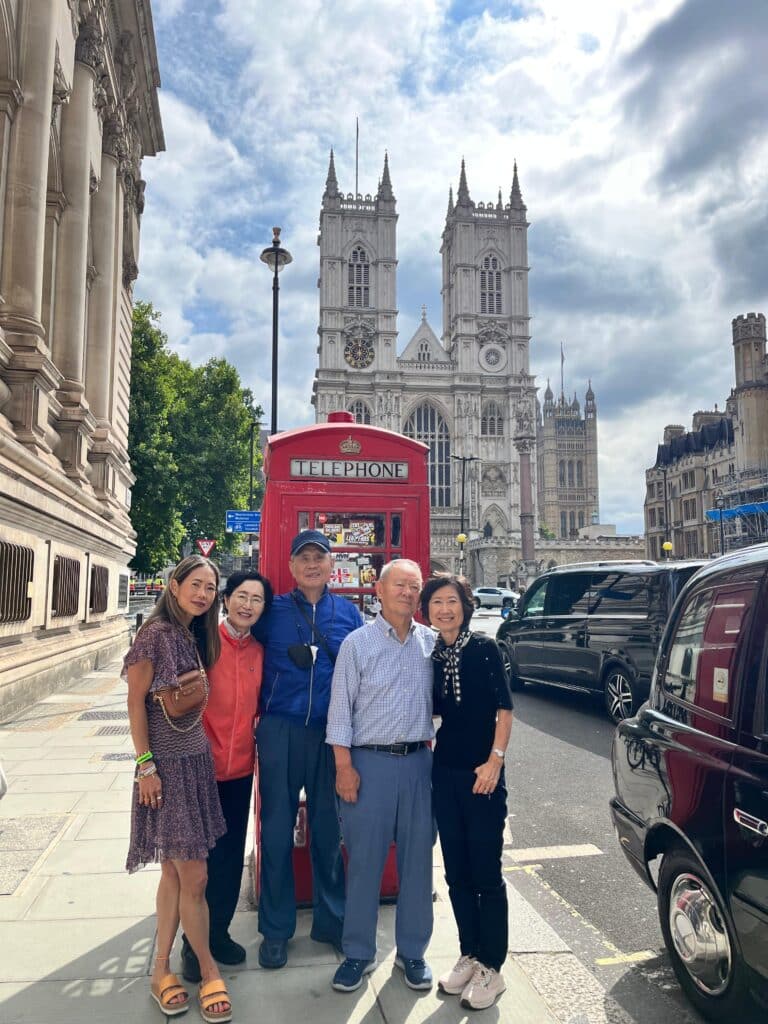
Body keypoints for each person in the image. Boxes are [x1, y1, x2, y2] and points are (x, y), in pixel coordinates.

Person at [125, 556, 232, 1023]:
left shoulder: (190, 634)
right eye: (196, 584)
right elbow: (134, 703)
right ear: (174, 585)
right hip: (165, 768)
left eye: (210, 587)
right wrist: (145, 765)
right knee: (196, 878)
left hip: (193, 764)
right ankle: (208, 969)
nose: (203, 594)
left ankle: (159, 971)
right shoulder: (154, 634)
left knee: (173, 875)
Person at [252, 529, 363, 969]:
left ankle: (331, 921)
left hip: (329, 733)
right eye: (304, 559)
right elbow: (236, 644)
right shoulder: (272, 611)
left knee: (328, 830)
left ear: (331, 565)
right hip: (280, 728)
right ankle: (276, 930)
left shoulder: (348, 614)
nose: (312, 565)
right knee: (276, 831)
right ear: (292, 567)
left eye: (320, 557)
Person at [327, 558, 435, 993]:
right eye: (401, 585)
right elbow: (339, 712)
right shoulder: (357, 644)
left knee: (416, 864)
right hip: (366, 763)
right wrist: (343, 767)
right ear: (379, 590)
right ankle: (357, 952)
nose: (408, 593)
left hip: (417, 763)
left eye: (415, 586)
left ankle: (412, 951)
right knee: (365, 863)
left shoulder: (431, 643)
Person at [421, 573, 514, 1010]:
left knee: (485, 874)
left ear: (465, 605)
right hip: (446, 773)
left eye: (451, 602)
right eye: (436, 603)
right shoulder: (432, 654)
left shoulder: (484, 649)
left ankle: (492, 967)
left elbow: (504, 709)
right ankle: (470, 953)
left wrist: (495, 760)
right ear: (428, 610)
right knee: (456, 872)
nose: (444, 609)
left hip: (483, 774)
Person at [181, 570, 273, 984]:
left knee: (229, 858)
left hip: (239, 772)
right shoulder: (203, 643)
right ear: (227, 598)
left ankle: (217, 933)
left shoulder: (260, 652)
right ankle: (191, 945)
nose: (247, 605)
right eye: (241, 596)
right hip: (200, 770)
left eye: (256, 599)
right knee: (197, 865)